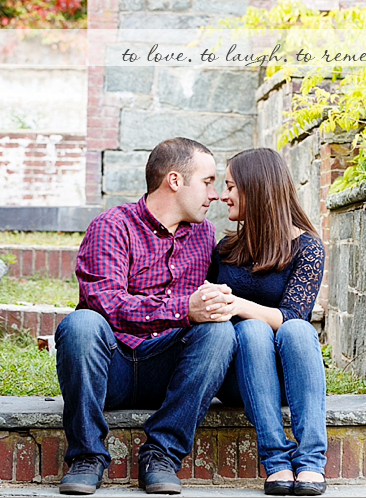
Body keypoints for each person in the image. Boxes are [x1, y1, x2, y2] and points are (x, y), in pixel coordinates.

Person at [56, 137, 237, 495]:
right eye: (208, 181)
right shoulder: (112, 226)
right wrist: (183, 308)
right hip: (112, 368)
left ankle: (161, 455)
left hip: (166, 368)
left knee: (219, 332)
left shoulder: (204, 234)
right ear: (174, 181)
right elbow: (105, 302)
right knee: (81, 324)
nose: (214, 194)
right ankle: (87, 456)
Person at [207, 148, 328, 496]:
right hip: (239, 375)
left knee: (299, 328)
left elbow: (293, 314)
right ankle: (276, 460)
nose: (223, 195)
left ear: (256, 188)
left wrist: (236, 303)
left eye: (231, 186)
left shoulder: (307, 248)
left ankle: (310, 462)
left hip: (287, 374)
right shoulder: (225, 249)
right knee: (252, 329)